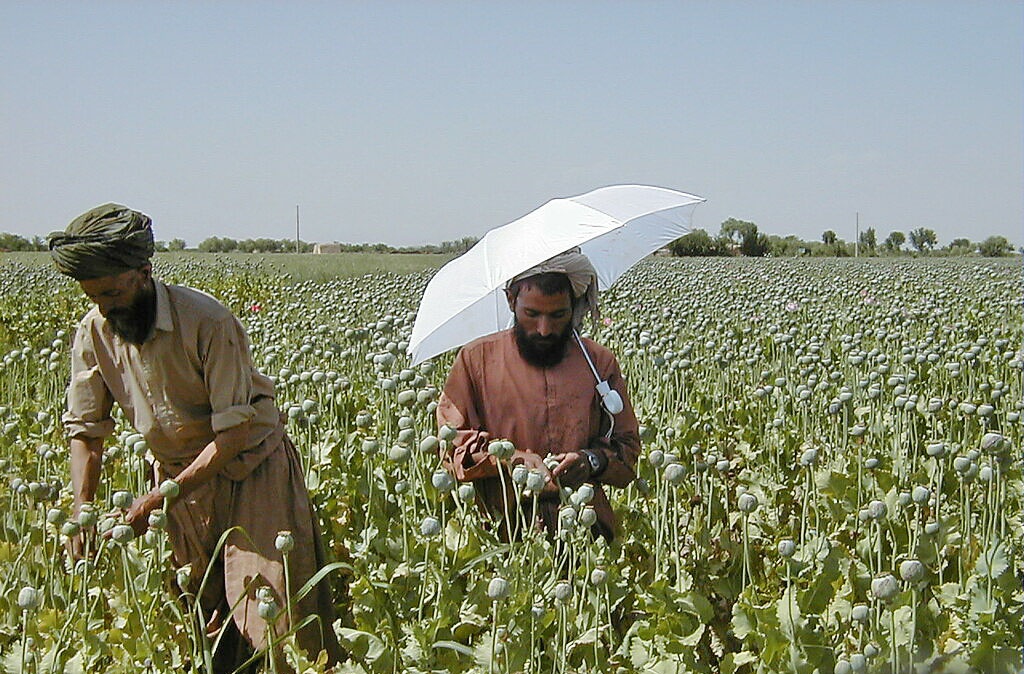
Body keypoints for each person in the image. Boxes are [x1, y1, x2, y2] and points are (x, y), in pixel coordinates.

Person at [49, 204, 343, 672]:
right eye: (93, 297)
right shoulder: (94, 331)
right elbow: (86, 431)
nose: (105, 307)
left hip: (250, 468)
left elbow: (232, 436)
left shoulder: (207, 320)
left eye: (112, 292)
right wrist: (83, 512)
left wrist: (153, 503)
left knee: (269, 614)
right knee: (197, 615)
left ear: (144, 272)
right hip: (177, 480)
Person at [436, 249, 640, 541]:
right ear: (511, 301)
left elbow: (627, 447)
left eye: (558, 315)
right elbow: (452, 447)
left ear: (574, 306)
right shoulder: (475, 360)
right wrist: (510, 459)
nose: (544, 330)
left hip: (584, 531)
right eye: (531, 314)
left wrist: (590, 461)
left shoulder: (598, 363)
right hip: (501, 529)